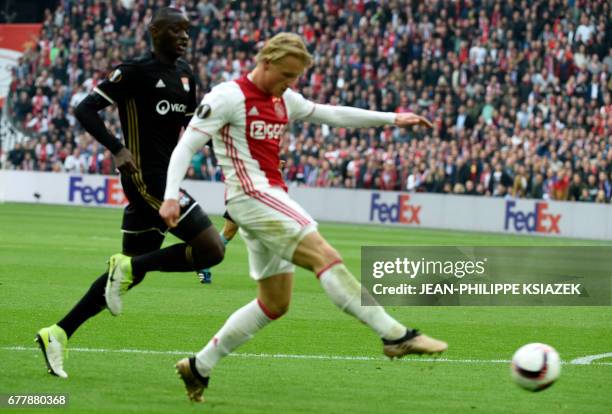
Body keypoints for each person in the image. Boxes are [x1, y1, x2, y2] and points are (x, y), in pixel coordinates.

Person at [160, 32, 447, 402]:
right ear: (265, 62)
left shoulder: (284, 99)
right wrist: (170, 197)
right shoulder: (228, 97)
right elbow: (186, 147)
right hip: (252, 196)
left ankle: (199, 365)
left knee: (274, 303)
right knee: (324, 255)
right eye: (285, 75)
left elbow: (331, 113)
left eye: (295, 78)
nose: (289, 83)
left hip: (266, 201)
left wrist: (393, 119)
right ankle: (395, 335)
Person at [35, 8, 226, 379]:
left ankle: (57, 333)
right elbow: (85, 109)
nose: (185, 37)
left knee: (131, 271)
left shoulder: (187, 77)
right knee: (211, 249)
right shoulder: (134, 71)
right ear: (156, 32)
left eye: (188, 30)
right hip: (146, 179)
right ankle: (125, 268)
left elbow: (192, 130)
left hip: (165, 180)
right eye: (177, 30)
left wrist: (228, 157)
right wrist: (117, 148)